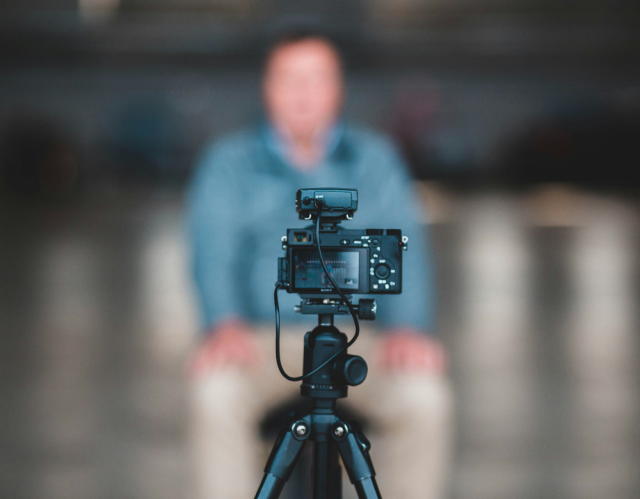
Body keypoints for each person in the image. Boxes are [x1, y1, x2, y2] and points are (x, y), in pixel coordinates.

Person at [186, 30, 452, 499]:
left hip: (361, 338)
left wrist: (409, 326)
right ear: (267, 88)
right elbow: (213, 252)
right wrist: (222, 322)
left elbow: (407, 245)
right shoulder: (228, 163)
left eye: (317, 78)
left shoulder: (376, 160)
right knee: (214, 394)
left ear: (338, 89)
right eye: (289, 78)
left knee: (425, 398)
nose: (303, 93)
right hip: (262, 338)